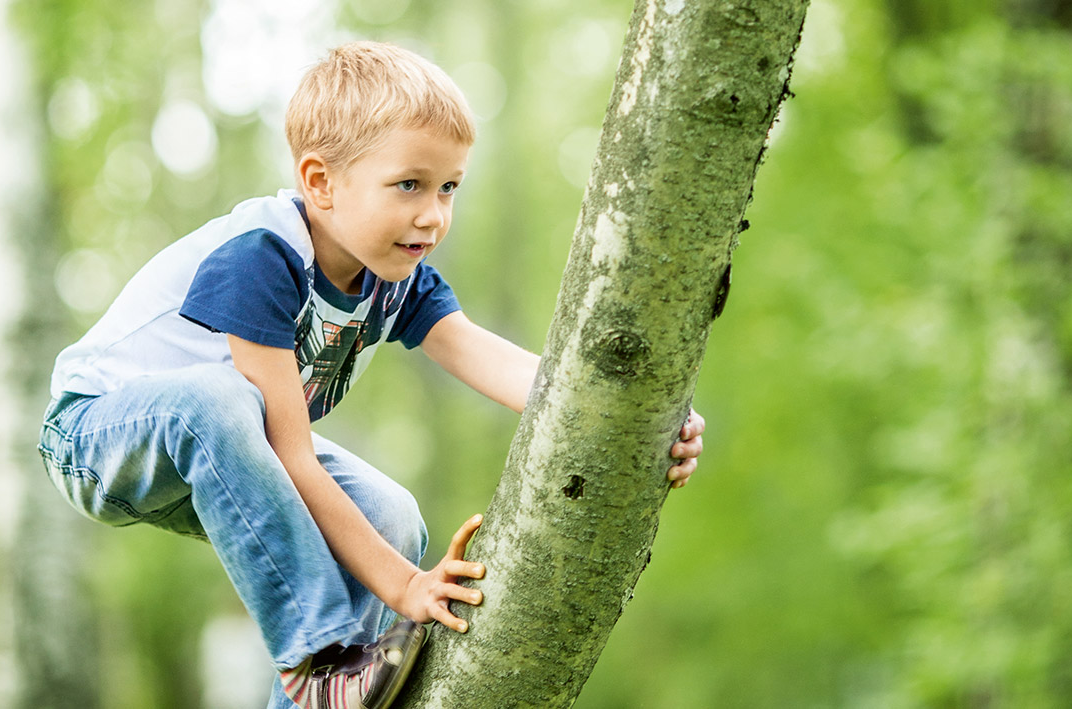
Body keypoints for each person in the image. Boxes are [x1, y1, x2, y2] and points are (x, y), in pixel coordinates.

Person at [37, 41, 704, 709]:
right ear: (322, 183)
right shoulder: (264, 259)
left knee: (389, 514)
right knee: (220, 401)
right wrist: (407, 585)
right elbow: (290, 455)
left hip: (229, 455)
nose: (433, 214)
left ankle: (318, 699)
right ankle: (322, 659)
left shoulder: (392, 277)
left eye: (449, 187)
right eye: (409, 184)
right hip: (100, 433)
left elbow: (483, 355)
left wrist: (632, 419)